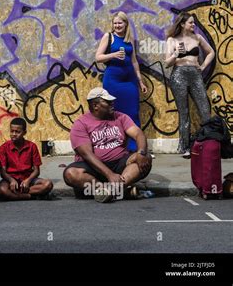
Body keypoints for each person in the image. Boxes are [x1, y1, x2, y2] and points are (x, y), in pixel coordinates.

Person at [63, 87, 153, 203]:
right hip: (93, 168)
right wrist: (109, 174)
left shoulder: (121, 117)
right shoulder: (80, 124)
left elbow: (138, 134)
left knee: (146, 158)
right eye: (107, 102)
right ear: (95, 106)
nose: (112, 104)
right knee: (71, 174)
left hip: (120, 164)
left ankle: (109, 191)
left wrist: (141, 152)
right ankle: (116, 190)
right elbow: (87, 154)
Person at [95, 11, 148, 152]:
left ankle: (136, 148)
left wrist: (140, 81)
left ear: (126, 24)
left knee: (133, 112)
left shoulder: (129, 39)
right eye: (115, 23)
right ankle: (116, 147)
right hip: (113, 80)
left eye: (120, 23)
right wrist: (113, 55)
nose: (117, 25)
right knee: (114, 112)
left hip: (129, 80)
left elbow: (134, 61)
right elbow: (98, 57)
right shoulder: (109, 36)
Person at [165, 12, 214, 158]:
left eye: (193, 22)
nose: (193, 25)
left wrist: (203, 65)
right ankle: (185, 147)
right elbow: (167, 63)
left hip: (195, 74)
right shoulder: (172, 40)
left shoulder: (197, 38)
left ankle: (209, 144)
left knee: (204, 109)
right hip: (178, 75)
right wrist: (176, 55)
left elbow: (211, 52)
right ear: (182, 24)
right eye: (191, 22)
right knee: (184, 113)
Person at [0, 117, 54, 201]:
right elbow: (3, 172)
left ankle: (15, 195)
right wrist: (11, 180)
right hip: (11, 179)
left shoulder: (32, 146)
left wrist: (28, 180)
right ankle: (32, 196)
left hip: (28, 179)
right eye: (12, 131)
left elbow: (36, 171)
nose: (13, 134)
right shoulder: (4, 147)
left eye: (17, 132)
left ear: (24, 132)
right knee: (2, 189)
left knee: (48, 184)